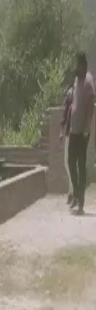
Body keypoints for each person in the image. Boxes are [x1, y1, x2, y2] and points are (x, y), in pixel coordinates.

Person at [68, 52, 95, 215]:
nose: (75, 67)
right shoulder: (76, 79)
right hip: (73, 130)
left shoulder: (89, 81)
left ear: (83, 65)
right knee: (70, 162)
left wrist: (87, 127)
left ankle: (81, 204)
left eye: (77, 64)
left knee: (81, 165)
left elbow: (91, 106)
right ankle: (77, 194)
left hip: (82, 132)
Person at [61, 85, 74, 205]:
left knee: (68, 162)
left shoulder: (71, 93)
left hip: (72, 133)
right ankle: (71, 191)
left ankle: (72, 192)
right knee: (70, 163)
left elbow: (65, 115)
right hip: (76, 132)